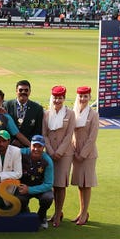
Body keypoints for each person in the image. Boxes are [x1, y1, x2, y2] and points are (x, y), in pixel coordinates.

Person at [43, 85, 76, 227]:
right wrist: (50, 151)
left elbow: (69, 135)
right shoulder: (46, 114)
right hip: (50, 153)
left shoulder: (70, 114)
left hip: (65, 154)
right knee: (52, 184)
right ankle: (55, 212)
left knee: (61, 185)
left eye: (60, 98)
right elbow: (44, 134)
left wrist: (60, 152)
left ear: (64, 98)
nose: (57, 100)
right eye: (55, 98)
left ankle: (58, 213)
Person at [71, 86, 98, 226]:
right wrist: (74, 152)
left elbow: (92, 138)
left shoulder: (93, 115)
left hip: (88, 155)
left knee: (86, 184)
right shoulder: (74, 112)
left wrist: (82, 154)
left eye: (86, 96)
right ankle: (82, 212)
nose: (83, 99)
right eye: (81, 96)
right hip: (76, 153)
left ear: (89, 97)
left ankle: (84, 213)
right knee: (80, 185)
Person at [16, 135, 54, 230]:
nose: (36, 149)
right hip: (23, 186)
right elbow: (8, 150)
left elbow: (49, 184)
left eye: (39, 146)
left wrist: (29, 190)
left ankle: (42, 216)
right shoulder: (21, 153)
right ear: (30, 146)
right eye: (34, 146)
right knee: (19, 199)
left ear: (43, 147)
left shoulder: (47, 161)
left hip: (40, 188)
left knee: (48, 197)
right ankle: (26, 213)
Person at [4, 80, 44, 146]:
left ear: (30, 92)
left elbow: (38, 131)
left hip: (27, 147)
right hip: (9, 145)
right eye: (20, 90)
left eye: (26, 90)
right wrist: (12, 141)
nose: (23, 92)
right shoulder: (6, 106)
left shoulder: (37, 108)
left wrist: (23, 142)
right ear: (16, 91)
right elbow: (3, 127)